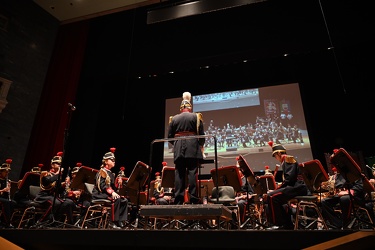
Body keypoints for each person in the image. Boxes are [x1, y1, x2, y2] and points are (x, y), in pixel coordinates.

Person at [167, 91, 205, 205]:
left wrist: (177, 144)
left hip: (178, 147)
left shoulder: (173, 119)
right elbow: (201, 135)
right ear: (190, 107)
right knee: (192, 172)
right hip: (193, 146)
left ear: (180, 108)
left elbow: (170, 137)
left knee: (179, 173)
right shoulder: (196, 116)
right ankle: (193, 198)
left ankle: (178, 198)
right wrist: (200, 146)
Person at [264, 141, 308, 229]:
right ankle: (287, 224)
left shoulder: (287, 159)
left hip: (297, 187)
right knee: (272, 196)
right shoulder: (285, 160)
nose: (276, 158)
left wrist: (277, 189)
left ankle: (278, 224)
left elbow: (289, 179)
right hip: (294, 187)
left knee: (271, 196)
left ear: (279, 153)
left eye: (275, 156)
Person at [321, 150, 366, 229]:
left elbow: (359, 186)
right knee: (324, 201)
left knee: (344, 198)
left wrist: (348, 191)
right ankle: (338, 224)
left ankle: (346, 223)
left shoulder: (352, 171)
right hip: (340, 195)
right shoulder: (337, 175)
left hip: (354, 196)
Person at [34, 152, 76, 225]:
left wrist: (65, 185)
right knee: (56, 202)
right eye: (58, 164)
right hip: (43, 196)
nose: (60, 166)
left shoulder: (58, 177)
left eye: (60, 164)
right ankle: (41, 221)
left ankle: (59, 222)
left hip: (53, 197)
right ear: (52, 165)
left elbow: (58, 190)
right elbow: (48, 181)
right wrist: (58, 175)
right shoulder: (46, 173)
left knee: (68, 203)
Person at [92, 147, 129, 229]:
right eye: (112, 160)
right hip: (100, 194)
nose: (114, 161)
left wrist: (118, 185)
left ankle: (120, 221)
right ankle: (112, 222)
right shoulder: (101, 172)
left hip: (107, 194)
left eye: (114, 160)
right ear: (106, 161)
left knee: (124, 200)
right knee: (117, 199)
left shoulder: (111, 174)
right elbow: (101, 186)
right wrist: (112, 193)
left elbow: (113, 189)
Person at [0, 159, 17, 228]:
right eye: (5, 172)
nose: (7, 174)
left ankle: (4, 220)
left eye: (8, 172)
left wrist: (9, 189)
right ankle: (7, 222)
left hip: (4, 197)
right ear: (1, 172)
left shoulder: (7, 181)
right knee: (6, 202)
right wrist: (3, 190)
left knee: (13, 203)